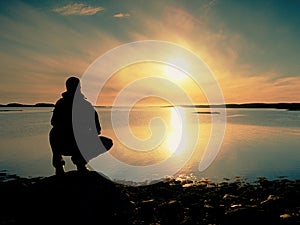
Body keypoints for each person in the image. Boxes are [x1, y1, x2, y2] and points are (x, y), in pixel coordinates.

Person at [49, 76, 112, 175]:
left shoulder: (85, 106)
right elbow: (97, 130)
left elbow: (97, 129)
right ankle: (62, 165)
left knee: (107, 142)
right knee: (54, 133)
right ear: (79, 88)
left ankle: (78, 163)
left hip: (77, 144)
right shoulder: (67, 104)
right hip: (65, 144)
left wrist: (85, 134)